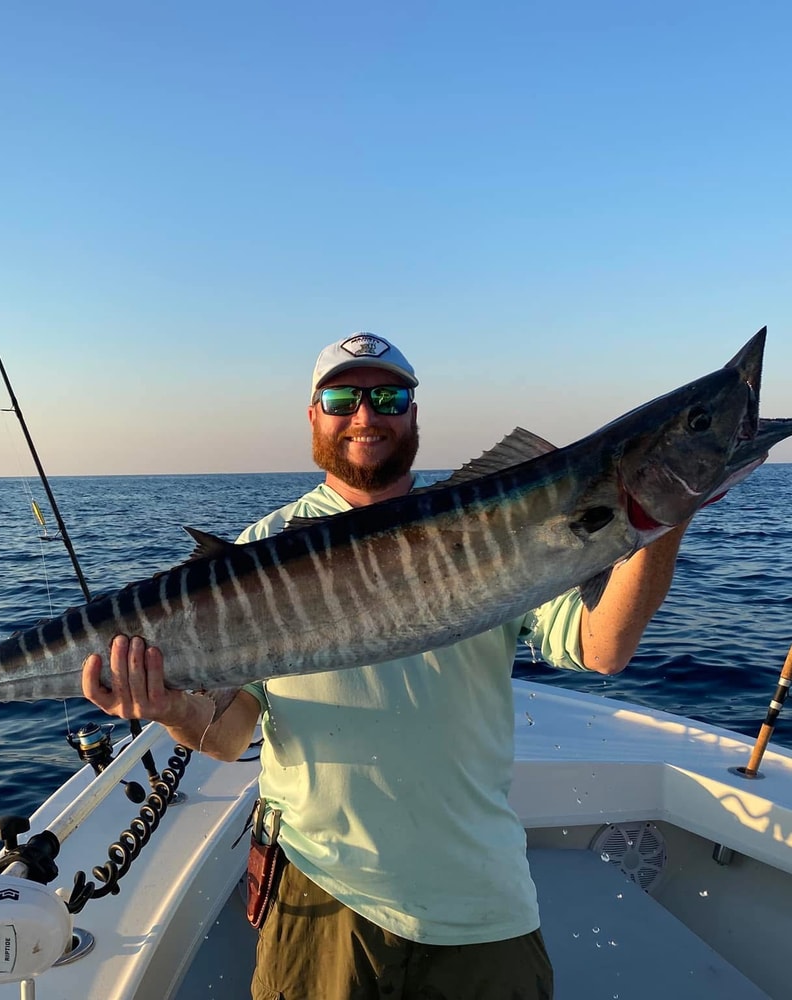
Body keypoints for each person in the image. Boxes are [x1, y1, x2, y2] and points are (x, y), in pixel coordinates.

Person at [81, 333, 691, 1000]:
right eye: (342, 398)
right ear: (313, 415)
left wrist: (664, 522)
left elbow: (600, 648)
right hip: (323, 895)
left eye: (387, 396)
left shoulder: (499, 525)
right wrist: (167, 705)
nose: (365, 415)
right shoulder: (260, 547)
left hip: (483, 901)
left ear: (414, 414)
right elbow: (226, 737)